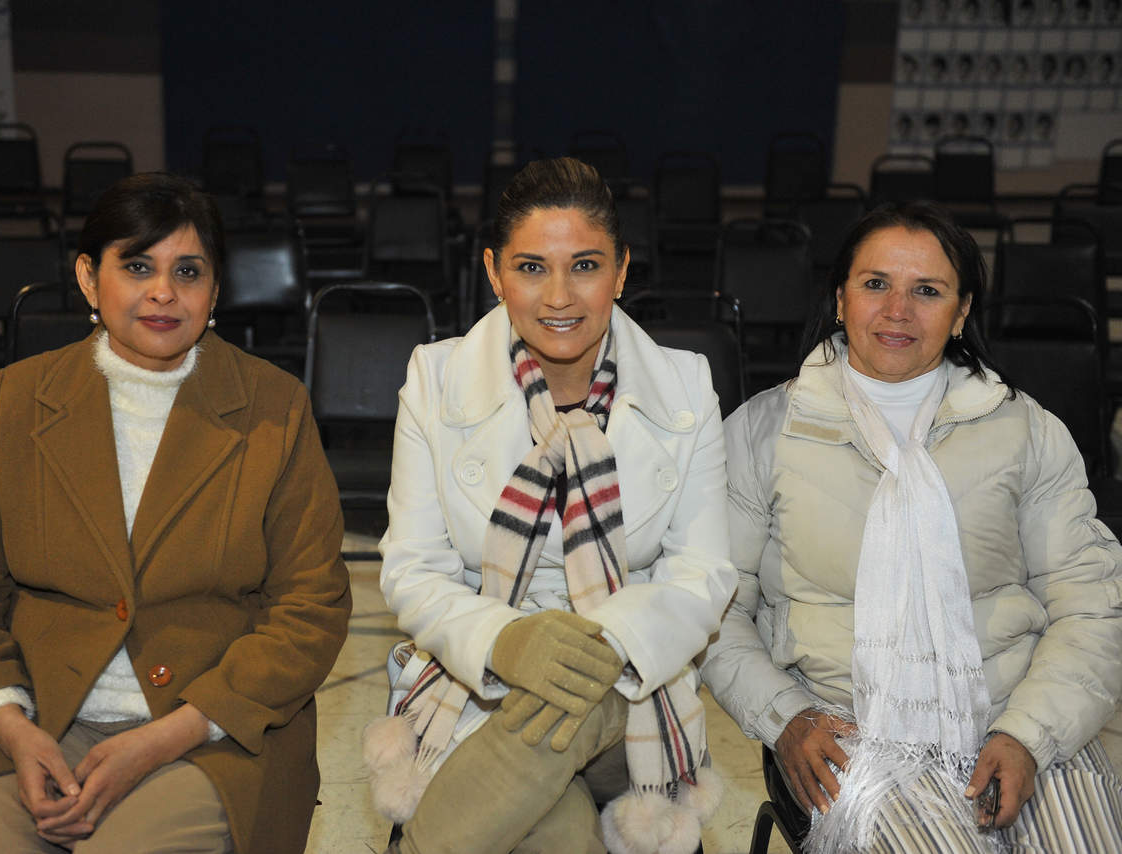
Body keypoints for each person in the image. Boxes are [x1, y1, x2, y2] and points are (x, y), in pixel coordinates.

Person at [0, 173, 352, 854]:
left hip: (207, 729)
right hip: (38, 719)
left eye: (189, 271)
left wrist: (169, 735)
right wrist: (11, 726)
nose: (164, 292)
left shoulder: (274, 407)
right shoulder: (19, 398)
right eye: (138, 266)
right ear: (89, 279)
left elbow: (311, 609)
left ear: (216, 289)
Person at [701, 202, 1122, 852]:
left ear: (961, 312)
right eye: (876, 284)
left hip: (1021, 715)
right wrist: (785, 716)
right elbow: (713, 606)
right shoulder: (764, 433)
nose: (897, 310)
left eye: (927, 291)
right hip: (845, 736)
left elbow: (1090, 604)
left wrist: (1028, 735)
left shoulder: (1026, 431)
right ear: (840, 299)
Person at [365, 158, 736, 854]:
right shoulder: (435, 378)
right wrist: (507, 643)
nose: (560, 296)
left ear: (621, 272)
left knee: (583, 686)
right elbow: (412, 571)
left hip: (632, 694)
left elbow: (704, 575)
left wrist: (598, 647)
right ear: (493, 272)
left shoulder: (686, 386)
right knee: (558, 838)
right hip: (478, 681)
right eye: (532, 268)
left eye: (585, 266)